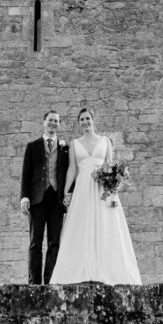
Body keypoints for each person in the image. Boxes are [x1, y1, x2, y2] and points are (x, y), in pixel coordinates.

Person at [50, 107, 141, 285]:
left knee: (105, 225)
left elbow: (110, 166)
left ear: (93, 120)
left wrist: (113, 191)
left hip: (102, 189)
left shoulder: (105, 141)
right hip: (83, 188)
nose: (85, 122)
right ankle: (83, 269)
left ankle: (107, 269)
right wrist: (65, 191)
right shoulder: (75, 144)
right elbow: (72, 169)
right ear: (79, 123)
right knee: (81, 225)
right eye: (82, 120)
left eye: (87, 119)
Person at [20, 109, 70, 284]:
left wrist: (68, 194)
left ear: (59, 124)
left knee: (54, 241)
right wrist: (24, 198)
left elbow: (69, 173)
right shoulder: (32, 147)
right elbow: (26, 174)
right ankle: (34, 282)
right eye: (50, 120)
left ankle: (50, 280)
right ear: (44, 122)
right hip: (37, 199)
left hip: (56, 199)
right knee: (35, 242)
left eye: (56, 121)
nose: (53, 123)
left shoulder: (65, 149)